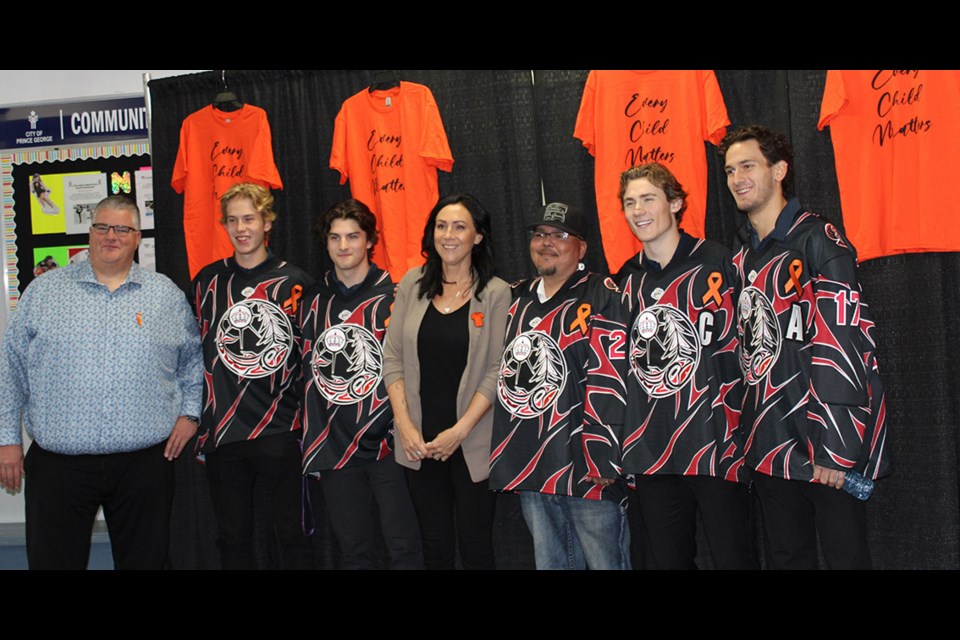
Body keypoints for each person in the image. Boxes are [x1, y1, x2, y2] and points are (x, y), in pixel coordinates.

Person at [0, 195, 203, 569]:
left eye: (122, 228)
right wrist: (8, 440)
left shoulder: (165, 295)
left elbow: (193, 361)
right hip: (60, 465)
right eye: (102, 227)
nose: (111, 236)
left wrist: (190, 414)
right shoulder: (44, 292)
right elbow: (10, 368)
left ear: (137, 236)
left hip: (143, 465)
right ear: (90, 232)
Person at [720, 125, 890, 569]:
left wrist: (835, 446)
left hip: (821, 444)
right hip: (768, 446)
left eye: (748, 165)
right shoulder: (740, 259)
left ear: (779, 170)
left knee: (845, 558)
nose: (737, 177)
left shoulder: (819, 239)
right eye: (730, 170)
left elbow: (846, 342)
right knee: (786, 558)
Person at [615, 163, 755, 569]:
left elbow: (749, 352)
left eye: (648, 199)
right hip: (653, 450)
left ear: (675, 203)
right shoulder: (624, 281)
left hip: (715, 447)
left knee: (734, 558)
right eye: (629, 202)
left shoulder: (719, 262)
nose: (638, 210)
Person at [489, 202, 631, 570]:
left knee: (606, 563)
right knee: (550, 563)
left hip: (588, 464)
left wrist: (605, 450)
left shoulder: (603, 293)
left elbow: (614, 379)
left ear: (581, 248)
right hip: (531, 460)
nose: (546, 242)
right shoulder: (514, 298)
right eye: (540, 234)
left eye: (560, 235)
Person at [383, 193, 510, 570]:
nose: (449, 235)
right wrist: (405, 427)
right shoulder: (412, 282)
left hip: (473, 442)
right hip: (418, 444)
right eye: (441, 226)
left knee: (476, 549)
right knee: (434, 548)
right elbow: (392, 358)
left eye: (460, 226)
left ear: (478, 236)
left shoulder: (496, 293)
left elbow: (496, 369)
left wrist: (459, 432)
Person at [192, 183, 314, 569]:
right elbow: (191, 356)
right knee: (233, 541)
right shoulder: (206, 282)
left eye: (249, 218)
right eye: (232, 220)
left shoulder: (295, 283)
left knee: (293, 537)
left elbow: (311, 362)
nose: (241, 228)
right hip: (224, 435)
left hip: (280, 430)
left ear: (267, 222)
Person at [299, 199, 423, 569]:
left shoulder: (398, 295)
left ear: (370, 241)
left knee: (404, 546)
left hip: (390, 444)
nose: (343, 246)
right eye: (335, 238)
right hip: (334, 446)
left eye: (353, 236)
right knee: (353, 551)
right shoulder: (310, 300)